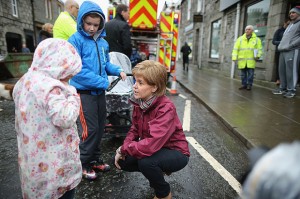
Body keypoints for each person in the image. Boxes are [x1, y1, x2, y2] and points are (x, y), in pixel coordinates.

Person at [12, 38, 82, 199]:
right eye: (68, 73)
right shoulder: (52, 88)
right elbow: (65, 118)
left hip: (33, 159)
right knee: (61, 193)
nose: (69, 77)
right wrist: (72, 94)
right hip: (55, 165)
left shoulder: (24, 81)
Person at [68, 1, 127, 180]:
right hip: (84, 94)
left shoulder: (102, 43)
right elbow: (76, 70)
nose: (92, 28)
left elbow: (105, 63)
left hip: (100, 93)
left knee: (100, 128)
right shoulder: (75, 40)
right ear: (81, 21)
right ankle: (83, 163)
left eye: (96, 24)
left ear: (101, 24)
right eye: (88, 24)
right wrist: (102, 82)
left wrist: (117, 70)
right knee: (89, 130)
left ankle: (94, 160)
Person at [114, 60, 190, 199]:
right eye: (135, 81)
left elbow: (151, 144)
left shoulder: (165, 108)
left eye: (140, 83)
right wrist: (124, 147)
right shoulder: (140, 102)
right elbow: (134, 130)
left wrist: (124, 149)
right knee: (124, 161)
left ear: (154, 87)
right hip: (157, 149)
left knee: (147, 162)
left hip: (175, 151)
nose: (135, 86)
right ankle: (157, 172)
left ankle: (163, 193)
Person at [272, 6, 300, 98]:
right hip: (283, 50)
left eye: (293, 12)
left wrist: (290, 46)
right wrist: (281, 46)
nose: (291, 14)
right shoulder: (290, 25)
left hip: (292, 50)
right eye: (290, 13)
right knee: (282, 71)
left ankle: (291, 90)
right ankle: (282, 88)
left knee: (291, 71)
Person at [232, 25, 262, 91]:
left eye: (249, 29)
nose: (247, 31)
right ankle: (244, 84)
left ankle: (249, 85)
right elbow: (235, 49)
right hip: (242, 60)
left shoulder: (257, 40)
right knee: (243, 74)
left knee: (250, 74)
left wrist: (258, 56)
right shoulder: (240, 39)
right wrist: (234, 57)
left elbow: (259, 49)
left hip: (251, 60)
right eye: (246, 29)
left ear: (252, 31)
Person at [272, 19, 290, 85]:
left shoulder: (291, 32)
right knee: (279, 66)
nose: (288, 26)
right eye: (287, 24)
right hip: (279, 51)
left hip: (288, 51)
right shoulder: (279, 31)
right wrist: (282, 43)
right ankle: (278, 79)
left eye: (290, 24)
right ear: (284, 23)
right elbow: (273, 41)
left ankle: (286, 80)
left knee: (287, 67)